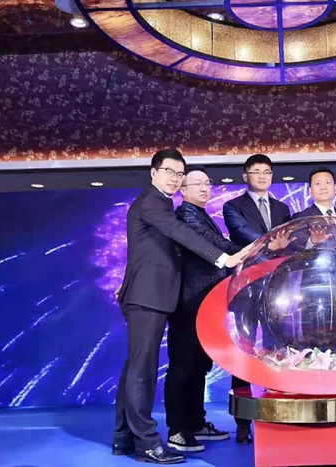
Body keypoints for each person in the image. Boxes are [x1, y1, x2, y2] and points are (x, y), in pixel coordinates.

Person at [113, 149, 249, 464]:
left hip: (154, 295)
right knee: (142, 372)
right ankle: (147, 442)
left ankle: (124, 437)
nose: (175, 179)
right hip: (146, 296)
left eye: (179, 174)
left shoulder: (162, 203)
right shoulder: (152, 202)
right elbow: (179, 232)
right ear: (153, 172)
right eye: (169, 172)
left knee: (135, 369)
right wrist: (223, 258)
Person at [164, 166, 239, 452]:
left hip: (204, 304)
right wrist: (252, 249)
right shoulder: (186, 215)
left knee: (198, 366)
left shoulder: (201, 214)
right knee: (183, 367)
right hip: (188, 305)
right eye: (197, 184)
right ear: (183, 190)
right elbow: (217, 245)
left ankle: (195, 422)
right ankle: (177, 430)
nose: (205, 188)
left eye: (207, 183)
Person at [222, 154, 292, 444]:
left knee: (278, 349)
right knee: (245, 349)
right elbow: (241, 233)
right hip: (246, 288)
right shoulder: (232, 206)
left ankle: (278, 413)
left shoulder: (283, 208)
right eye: (256, 171)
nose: (262, 176)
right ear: (245, 176)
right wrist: (268, 244)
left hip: (277, 288)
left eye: (267, 172)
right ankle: (243, 423)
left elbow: (290, 244)